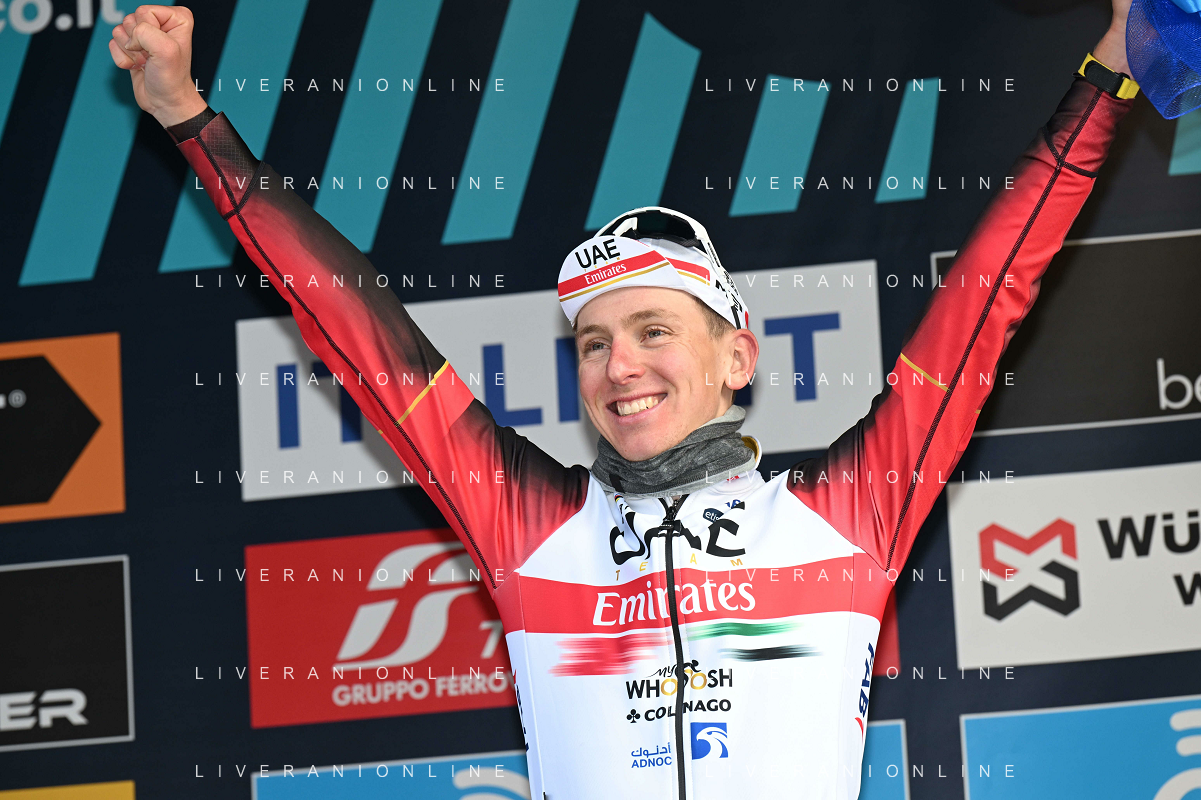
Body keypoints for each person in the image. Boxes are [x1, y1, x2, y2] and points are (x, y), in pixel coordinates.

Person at [111, 5, 1138, 797]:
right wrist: (191, 120)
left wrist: (1108, 76)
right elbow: (361, 329)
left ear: (736, 357)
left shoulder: (845, 512)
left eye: (653, 330)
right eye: (593, 343)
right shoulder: (529, 527)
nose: (619, 366)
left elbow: (986, 294)